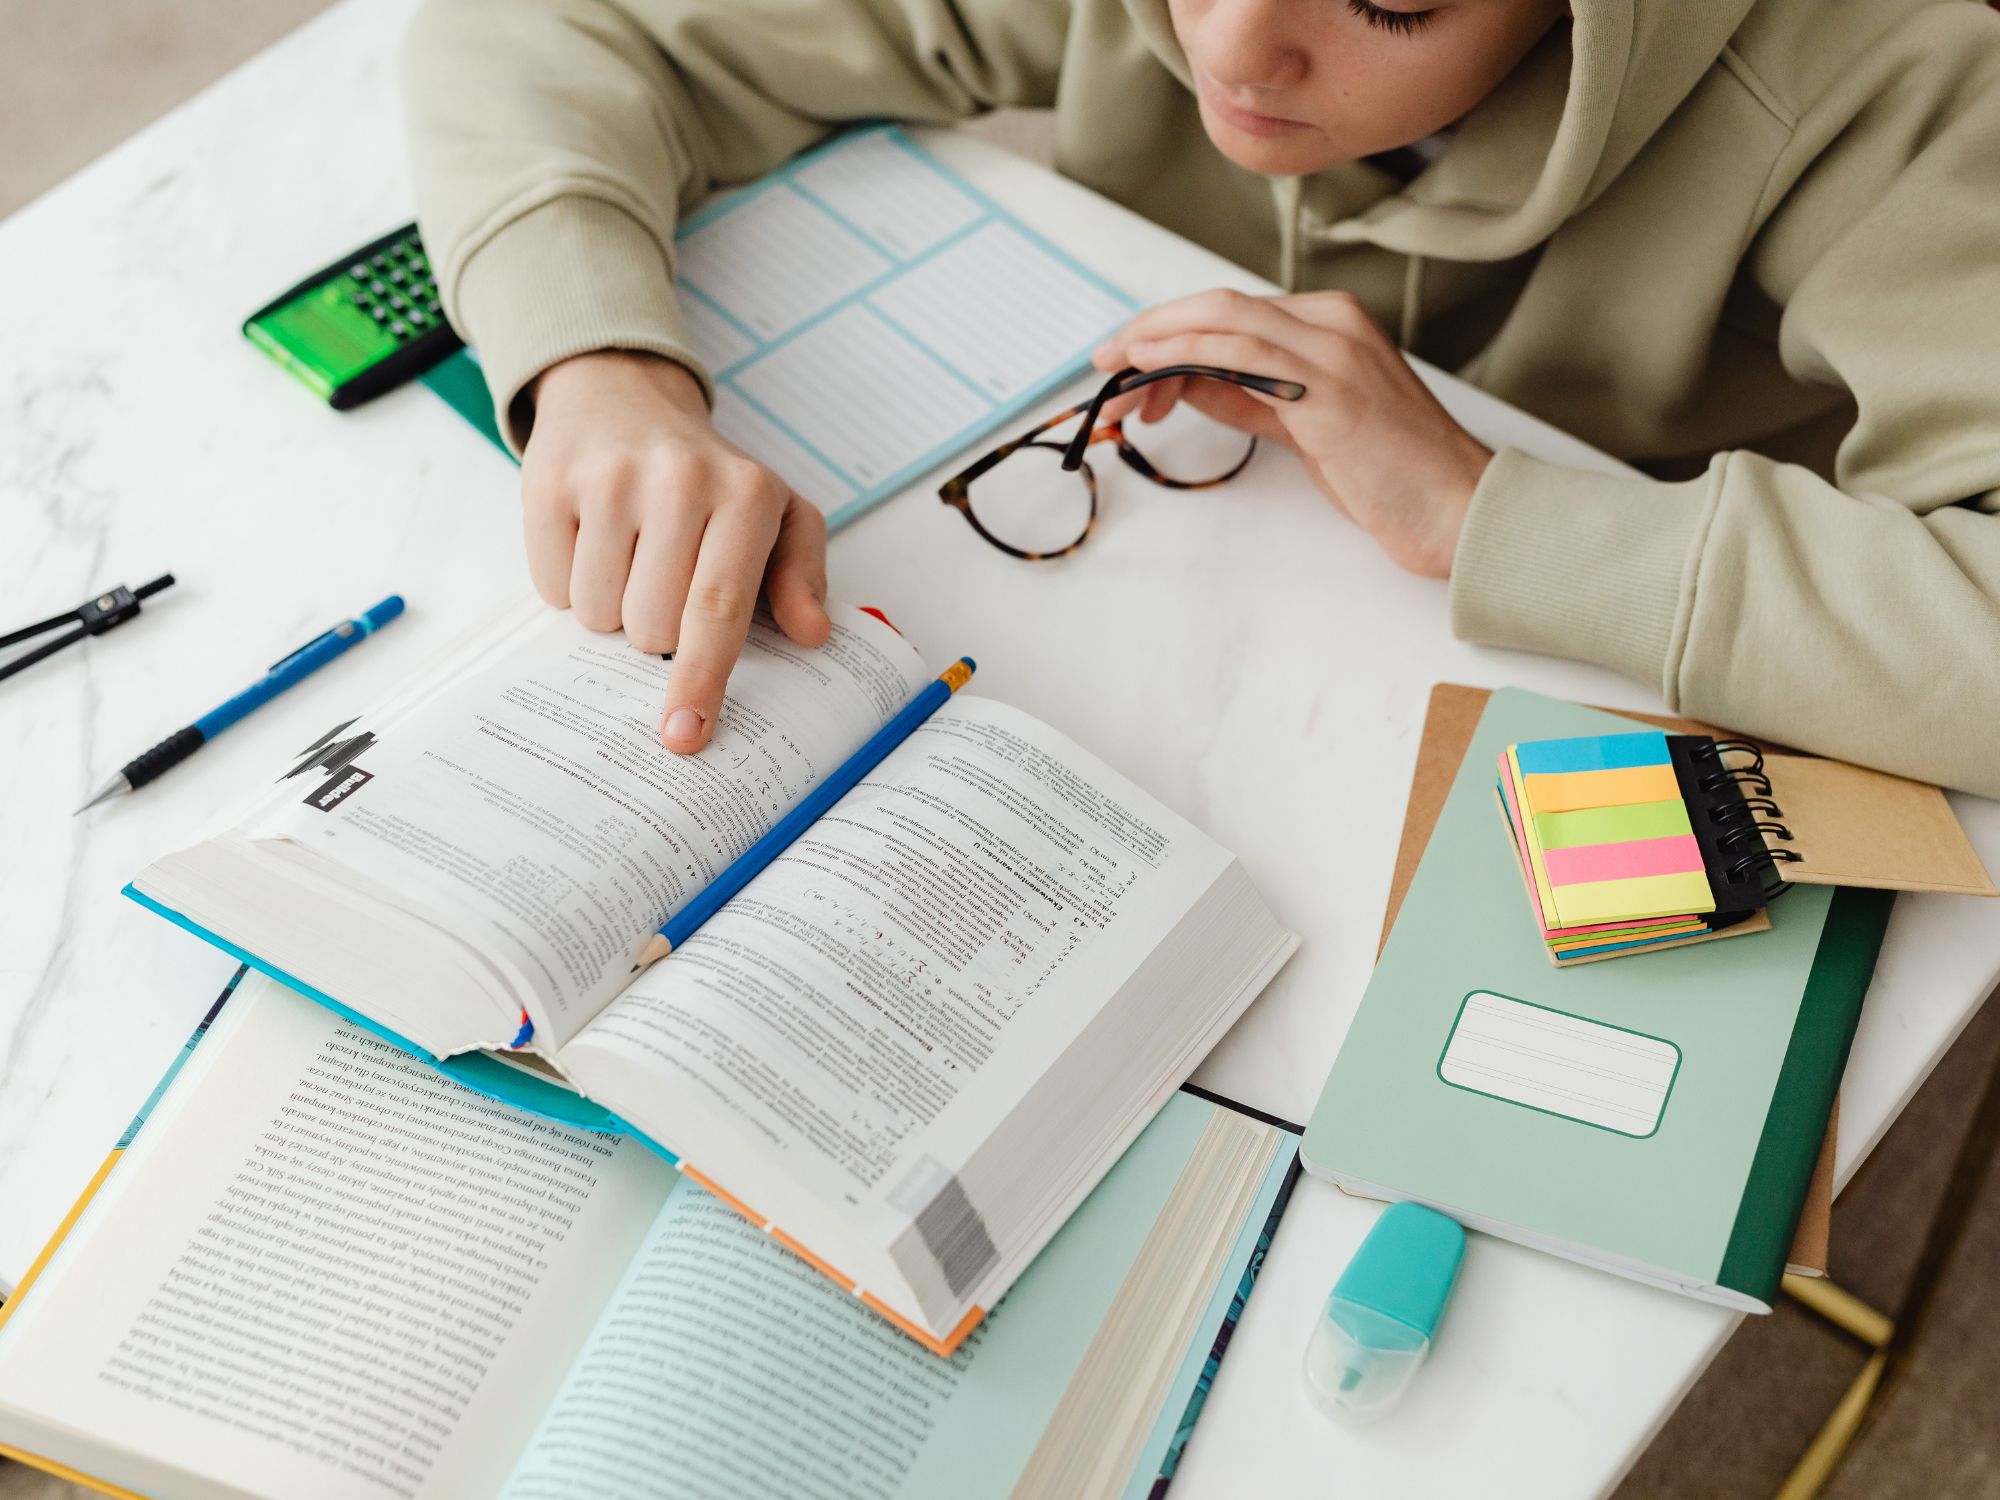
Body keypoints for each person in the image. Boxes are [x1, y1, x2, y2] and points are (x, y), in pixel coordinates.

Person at [400, 0, 2000, 796]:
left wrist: (1487, 511)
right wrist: (598, 369)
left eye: (1388, 2)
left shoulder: (1914, 70)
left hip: (1615, 736)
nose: (1232, 48)